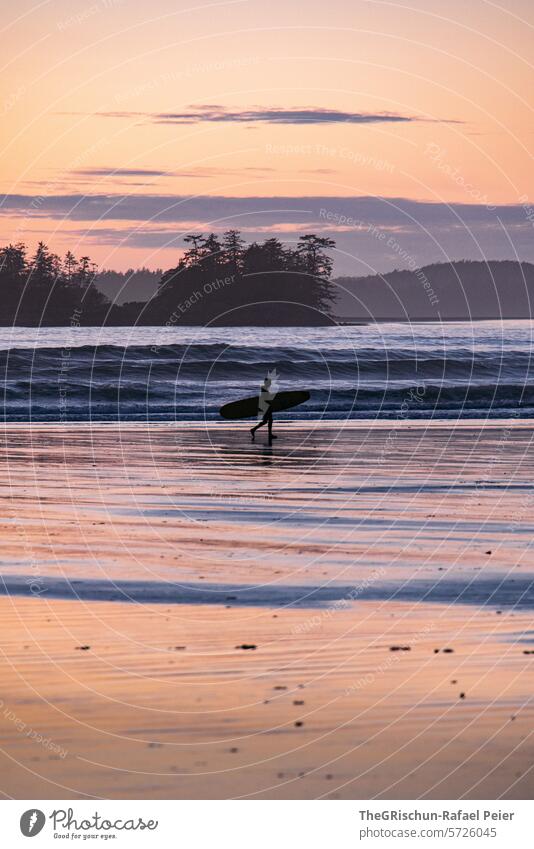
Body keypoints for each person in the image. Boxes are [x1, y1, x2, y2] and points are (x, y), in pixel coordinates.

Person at [250, 375, 278, 444]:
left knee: (266, 421)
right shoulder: (264, 389)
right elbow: (265, 399)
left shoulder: (265, 388)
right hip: (266, 407)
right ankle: (268, 434)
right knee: (269, 420)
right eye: (269, 382)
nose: (270, 384)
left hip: (266, 407)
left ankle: (254, 429)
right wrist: (269, 405)